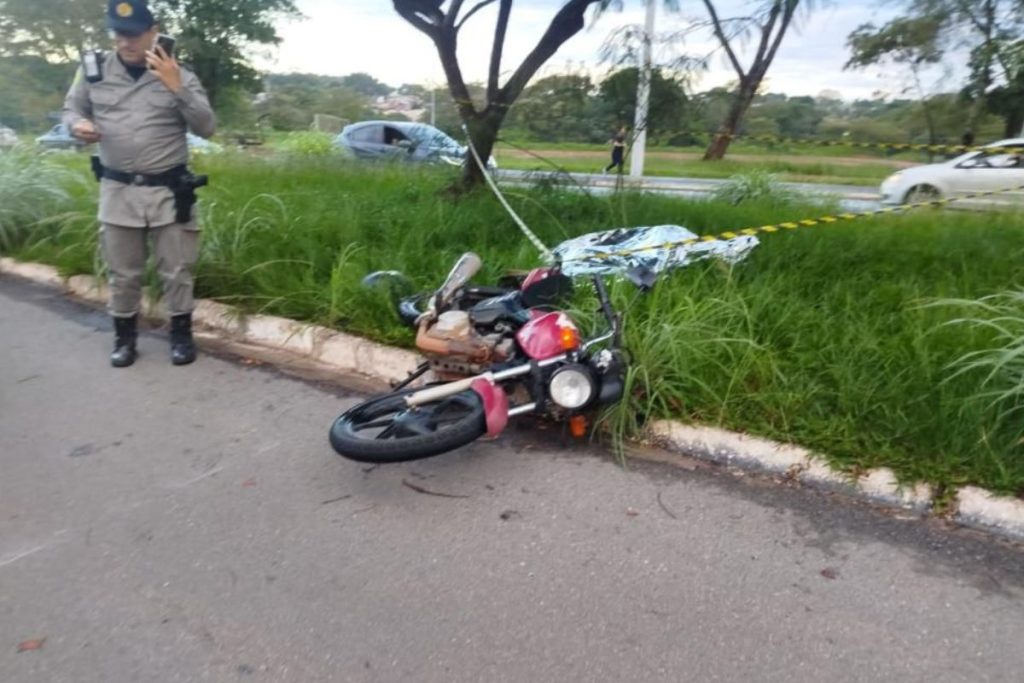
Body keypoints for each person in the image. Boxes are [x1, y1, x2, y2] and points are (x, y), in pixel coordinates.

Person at [63, 0, 215, 367]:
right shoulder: (94, 71)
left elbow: (207, 127)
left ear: (153, 32)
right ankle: (124, 339)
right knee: (123, 273)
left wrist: (177, 87)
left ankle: (180, 336)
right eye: (117, 33)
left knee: (176, 271)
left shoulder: (179, 73)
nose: (124, 42)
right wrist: (77, 126)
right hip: (118, 192)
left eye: (132, 34)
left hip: (169, 192)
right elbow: (71, 109)